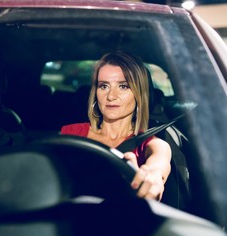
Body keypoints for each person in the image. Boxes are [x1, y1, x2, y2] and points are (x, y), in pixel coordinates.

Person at [61, 51, 172, 201]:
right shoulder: (70, 133)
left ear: (139, 94)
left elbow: (159, 166)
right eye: (104, 86)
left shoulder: (154, 145)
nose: (111, 96)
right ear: (96, 92)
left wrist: (152, 177)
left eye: (123, 86)